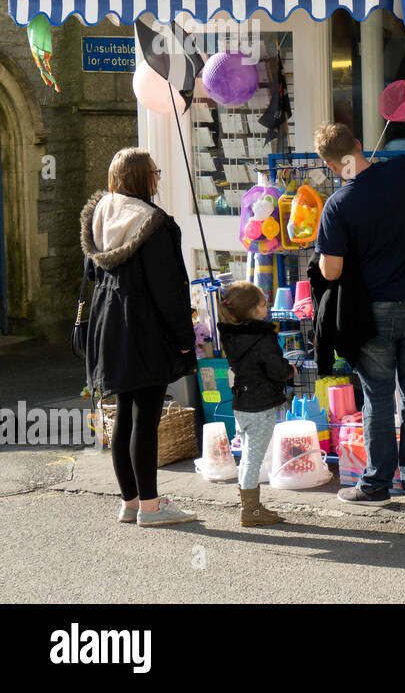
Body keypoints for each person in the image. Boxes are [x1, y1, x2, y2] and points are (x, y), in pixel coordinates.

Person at [315, 78, 405, 508]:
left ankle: (374, 485)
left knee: (376, 395)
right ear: (358, 143)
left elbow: (330, 269)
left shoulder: (337, 206)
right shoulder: (401, 171)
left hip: (374, 311)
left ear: (331, 164)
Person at [80, 148, 198, 527]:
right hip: (144, 329)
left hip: (107, 326)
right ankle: (151, 506)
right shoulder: (152, 224)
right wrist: (184, 338)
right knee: (145, 417)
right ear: (142, 179)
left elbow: (92, 277)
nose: (158, 178)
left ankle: (130, 502)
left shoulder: (101, 214)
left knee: (125, 418)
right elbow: (168, 290)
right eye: (155, 172)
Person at [217, 281, 295, 527]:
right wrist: (289, 369)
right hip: (261, 402)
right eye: (263, 304)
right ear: (253, 310)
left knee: (247, 454)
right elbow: (275, 368)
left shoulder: (230, 335)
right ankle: (251, 510)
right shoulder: (263, 338)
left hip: (241, 400)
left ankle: (248, 505)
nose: (267, 307)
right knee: (253, 456)